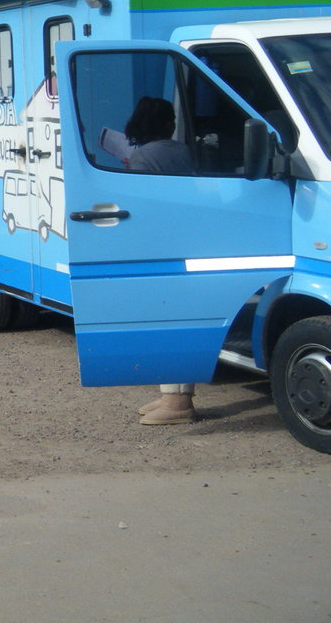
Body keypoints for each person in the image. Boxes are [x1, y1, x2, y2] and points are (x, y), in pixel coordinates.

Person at [124, 97, 198, 424]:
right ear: (170, 124)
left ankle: (178, 403)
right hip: (184, 237)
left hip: (159, 242)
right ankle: (170, 394)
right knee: (177, 316)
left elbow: (140, 200)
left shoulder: (142, 157)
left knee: (168, 321)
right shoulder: (183, 150)